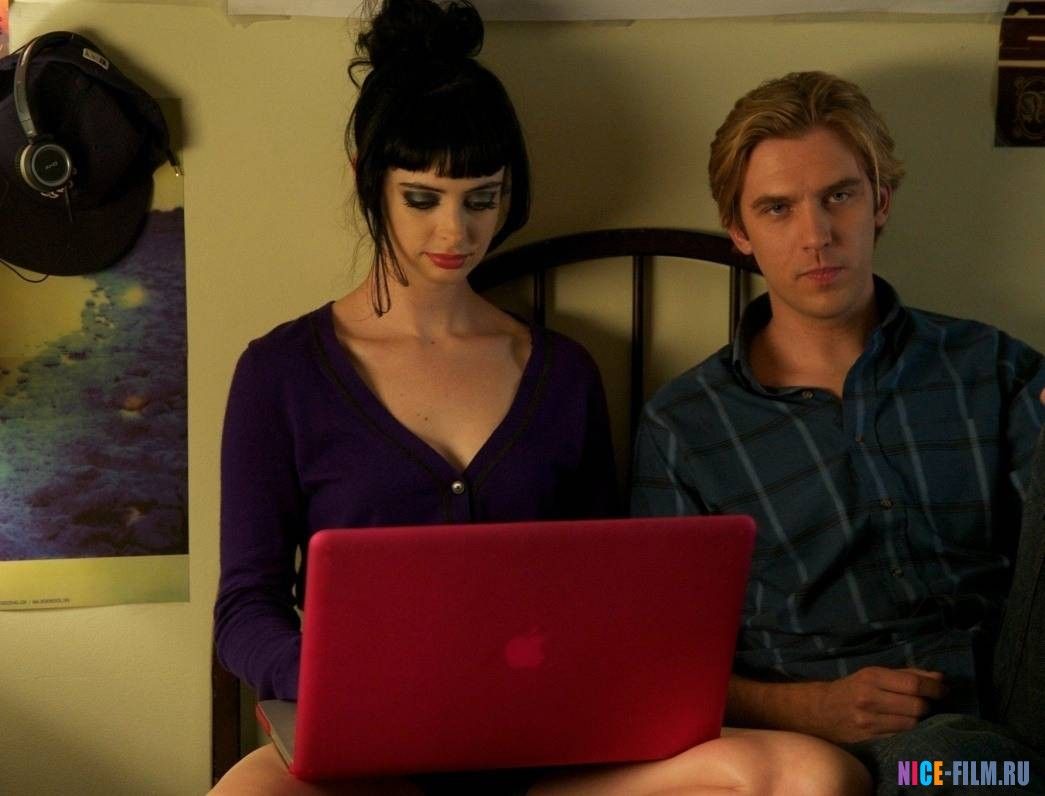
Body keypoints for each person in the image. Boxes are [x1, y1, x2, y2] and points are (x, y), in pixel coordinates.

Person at [210, 5, 869, 794]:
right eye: (422, 198)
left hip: (548, 756)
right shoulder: (281, 374)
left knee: (808, 775)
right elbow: (244, 606)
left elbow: (598, 589)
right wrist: (330, 682)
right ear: (366, 177)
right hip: (367, 755)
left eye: (480, 198)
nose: (455, 232)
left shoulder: (560, 372)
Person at [632, 70, 1045, 793]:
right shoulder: (686, 427)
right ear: (739, 232)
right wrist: (812, 709)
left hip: (1022, 685)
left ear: (879, 202)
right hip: (901, 752)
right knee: (974, 773)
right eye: (777, 208)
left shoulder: (989, 366)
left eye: (839, 196)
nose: (815, 235)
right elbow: (661, 665)